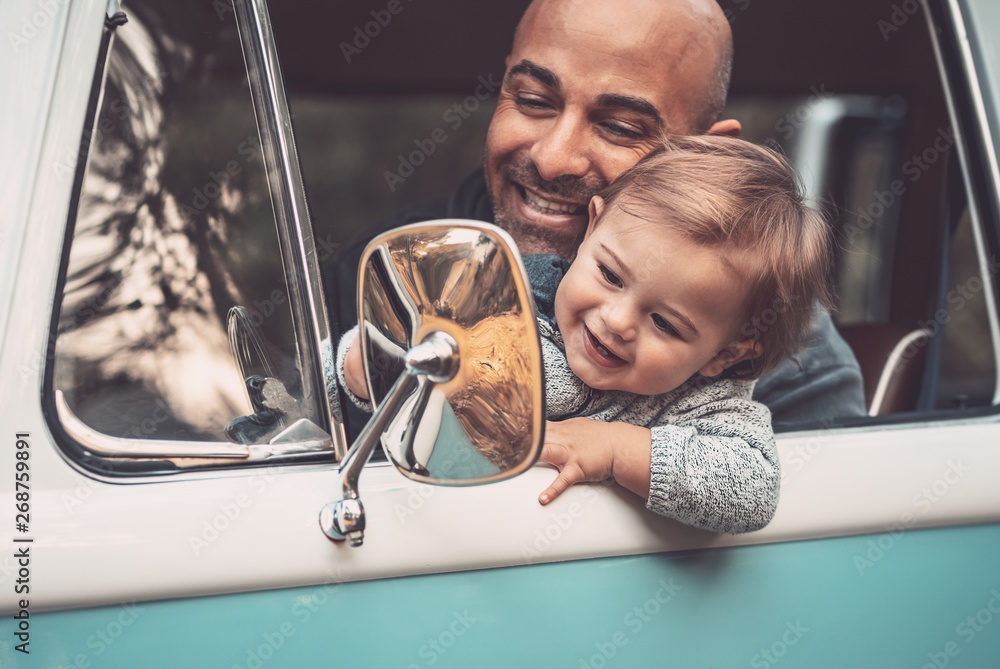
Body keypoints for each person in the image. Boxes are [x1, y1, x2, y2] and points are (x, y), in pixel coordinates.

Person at [325, 0, 865, 435]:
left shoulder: (789, 362)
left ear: (704, 152)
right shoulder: (389, 266)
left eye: (622, 128)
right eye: (534, 100)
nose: (552, 157)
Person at [334, 134, 833, 533]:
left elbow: (750, 489)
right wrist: (365, 365)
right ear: (590, 231)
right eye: (611, 276)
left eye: (664, 323)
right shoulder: (504, 304)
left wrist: (615, 449)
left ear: (725, 355)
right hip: (435, 535)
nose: (616, 320)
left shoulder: (706, 404)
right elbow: (357, 382)